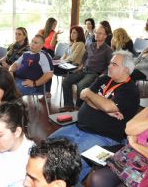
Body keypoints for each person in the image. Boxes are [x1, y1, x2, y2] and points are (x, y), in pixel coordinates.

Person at [50, 51, 139, 180]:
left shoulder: (130, 91)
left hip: (103, 136)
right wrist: (99, 103)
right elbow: (83, 96)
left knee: (69, 162)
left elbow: (107, 105)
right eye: (110, 63)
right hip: (78, 127)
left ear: (125, 69)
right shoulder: (104, 79)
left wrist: (91, 95)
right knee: (47, 147)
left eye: (114, 64)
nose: (109, 66)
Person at [61, 24, 113, 109]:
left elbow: (110, 65)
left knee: (81, 85)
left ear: (105, 36)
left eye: (100, 33)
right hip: (84, 70)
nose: (97, 34)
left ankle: (79, 107)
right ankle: (68, 105)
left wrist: (103, 74)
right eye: (96, 32)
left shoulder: (108, 50)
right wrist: (81, 66)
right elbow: (85, 56)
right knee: (66, 81)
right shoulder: (90, 45)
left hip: (94, 73)